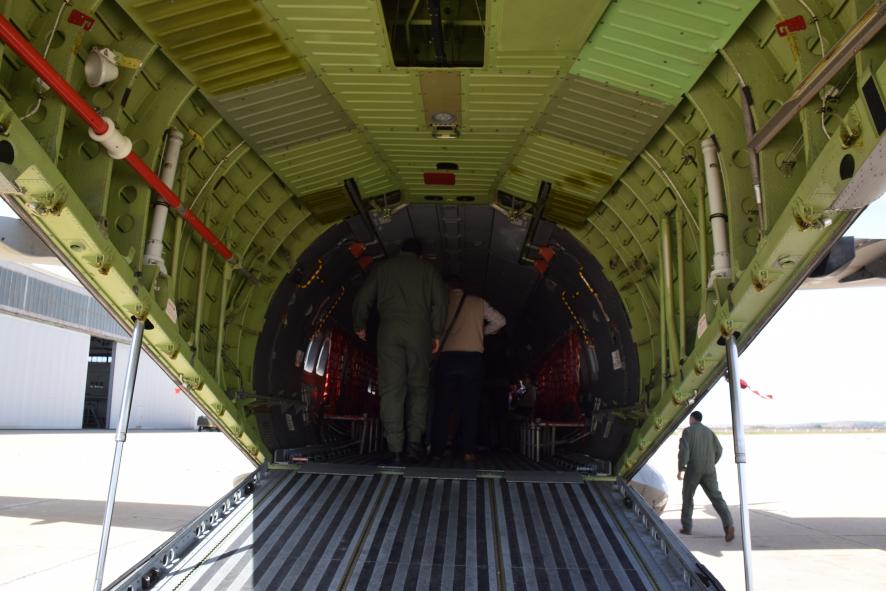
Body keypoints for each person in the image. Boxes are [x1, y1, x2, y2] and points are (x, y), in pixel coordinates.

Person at [352, 238, 448, 464]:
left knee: (391, 389)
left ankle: (394, 448)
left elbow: (363, 298)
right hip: (419, 333)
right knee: (418, 388)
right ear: (420, 255)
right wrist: (436, 333)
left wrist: (359, 325)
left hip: (389, 331)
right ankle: (414, 445)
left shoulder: (383, 268)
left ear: (400, 250)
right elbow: (441, 302)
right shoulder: (429, 270)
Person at [430, 276, 506, 461]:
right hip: (472, 359)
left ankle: (437, 450)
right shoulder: (479, 302)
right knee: (470, 406)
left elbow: (431, 329)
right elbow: (500, 321)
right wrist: (482, 332)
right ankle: (468, 451)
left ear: (447, 288)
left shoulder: (441, 303)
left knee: (443, 406)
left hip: (448, 358)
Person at [678, 410, 735, 541]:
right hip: (710, 469)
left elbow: (684, 451)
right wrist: (711, 462)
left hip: (693, 469)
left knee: (688, 497)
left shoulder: (688, 431)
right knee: (717, 498)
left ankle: (687, 527)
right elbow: (719, 450)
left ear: (692, 418)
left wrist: (681, 468)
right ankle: (729, 525)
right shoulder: (709, 432)